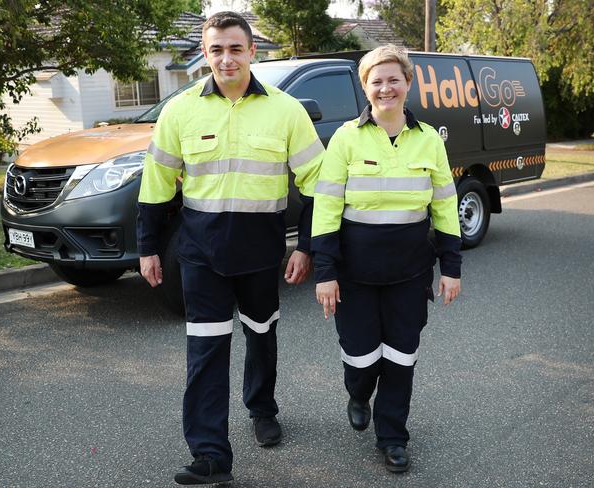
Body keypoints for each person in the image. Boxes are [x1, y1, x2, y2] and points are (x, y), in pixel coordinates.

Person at [137, 11, 323, 486]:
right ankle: (210, 454)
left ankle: (262, 409)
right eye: (216, 49)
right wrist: (148, 248)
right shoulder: (180, 110)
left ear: (252, 52)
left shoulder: (286, 110)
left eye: (235, 48)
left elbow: (319, 186)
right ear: (205, 53)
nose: (226, 58)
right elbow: (157, 185)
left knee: (262, 336)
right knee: (205, 353)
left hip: (262, 257)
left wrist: (304, 247)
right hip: (200, 256)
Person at [311, 44, 461, 473]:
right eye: (376, 81)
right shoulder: (346, 138)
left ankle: (392, 436)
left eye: (394, 79)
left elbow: (444, 207)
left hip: (409, 275)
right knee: (361, 358)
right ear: (365, 88)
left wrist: (450, 268)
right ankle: (358, 394)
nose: (386, 88)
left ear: (408, 84)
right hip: (354, 276)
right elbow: (326, 208)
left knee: (400, 357)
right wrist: (325, 272)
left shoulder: (429, 139)